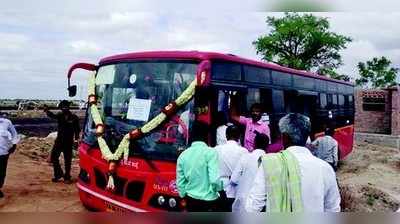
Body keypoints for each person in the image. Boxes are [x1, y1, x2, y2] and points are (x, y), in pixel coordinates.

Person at [245, 113, 340, 212]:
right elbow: (333, 209)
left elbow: (252, 208)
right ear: (307, 135)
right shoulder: (325, 169)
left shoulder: (269, 164)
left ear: (284, 137)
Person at [176, 122, 223, 212]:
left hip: (190, 200)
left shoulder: (183, 155)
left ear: (191, 136)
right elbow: (214, 180)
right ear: (207, 136)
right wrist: (219, 190)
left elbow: (180, 183)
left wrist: (183, 196)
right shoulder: (211, 153)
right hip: (209, 200)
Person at [44, 100, 80, 184]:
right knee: (53, 157)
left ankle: (67, 177)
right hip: (59, 141)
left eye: (66, 106)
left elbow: (77, 130)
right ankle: (58, 174)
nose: (64, 108)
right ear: (61, 108)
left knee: (68, 160)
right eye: (63, 107)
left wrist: (76, 140)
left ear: (68, 107)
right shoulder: (60, 115)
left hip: (69, 142)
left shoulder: (74, 117)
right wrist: (47, 111)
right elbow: (52, 116)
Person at [231, 133, 269, 212]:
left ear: (254, 143)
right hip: (260, 206)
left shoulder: (245, 157)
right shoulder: (269, 161)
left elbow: (234, 179)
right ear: (267, 146)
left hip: (241, 204)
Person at [214, 125, 248, 211]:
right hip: (237, 190)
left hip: (220, 189)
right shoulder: (244, 151)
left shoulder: (216, 149)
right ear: (239, 136)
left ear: (226, 136)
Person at [0, 113, 19, 198]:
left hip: (4, 152)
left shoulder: (7, 122)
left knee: (1, 172)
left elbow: (14, 134)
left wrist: (14, 144)